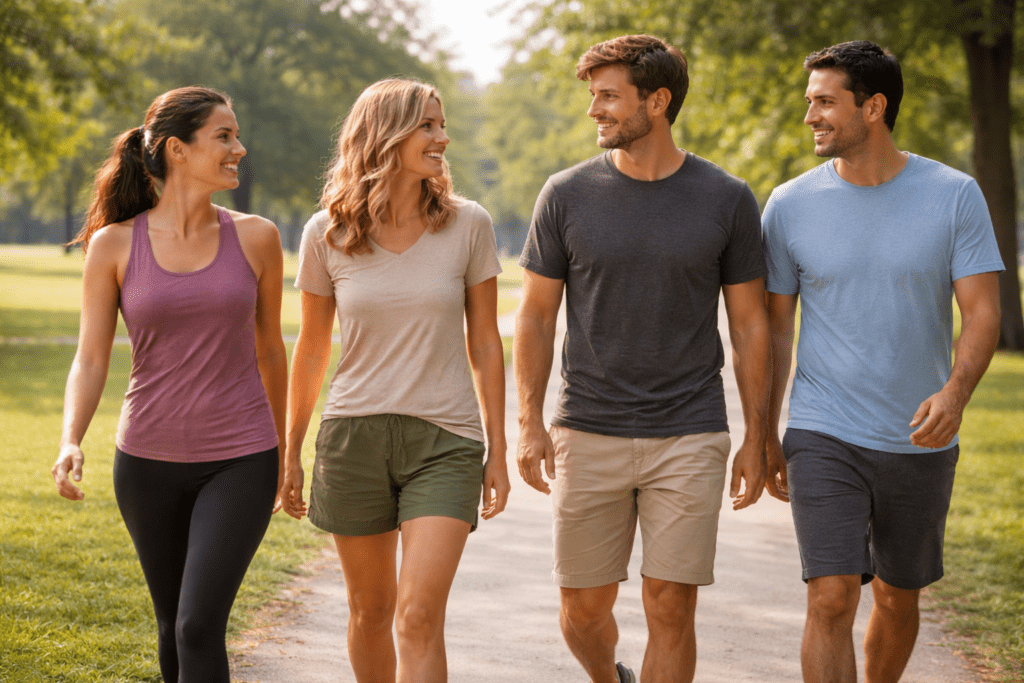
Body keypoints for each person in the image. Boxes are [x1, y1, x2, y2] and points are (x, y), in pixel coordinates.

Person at [515, 34, 771, 683]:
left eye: (608, 96)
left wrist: (758, 435)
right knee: (582, 608)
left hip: (690, 429)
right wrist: (528, 421)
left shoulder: (727, 197)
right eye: (593, 95)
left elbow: (748, 325)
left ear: (657, 101)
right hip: (588, 426)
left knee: (671, 603)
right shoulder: (565, 194)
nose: (594, 109)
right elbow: (537, 315)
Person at [762, 40, 1004, 683]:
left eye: (823, 101)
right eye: (808, 101)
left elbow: (982, 311)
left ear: (873, 106)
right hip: (822, 429)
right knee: (831, 594)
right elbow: (775, 329)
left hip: (917, 433)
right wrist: (765, 431)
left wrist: (953, 395)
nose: (809, 115)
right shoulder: (788, 205)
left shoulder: (954, 195)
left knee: (898, 597)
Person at [50, 86, 289, 682]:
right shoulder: (114, 245)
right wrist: (70, 439)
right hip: (146, 461)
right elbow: (90, 358)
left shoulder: (257, 238)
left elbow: (270, 350)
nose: (239, 147)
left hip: (241, 457)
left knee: (197, 625)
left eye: (236, 134)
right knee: (170, 628)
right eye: (224, 136)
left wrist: (285, 450)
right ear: (178, 150)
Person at [279, 77, 509, 682]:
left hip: (447, 441)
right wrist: (291, 450)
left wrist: (499, 447)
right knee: (370, 611)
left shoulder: (468, 225)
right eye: (428, 126)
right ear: (386, 135)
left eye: (442, 124)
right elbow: (311, 348)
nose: (444, 137)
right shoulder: (325, 232)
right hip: (353, 438)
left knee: (416, 616)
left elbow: (485, 341)